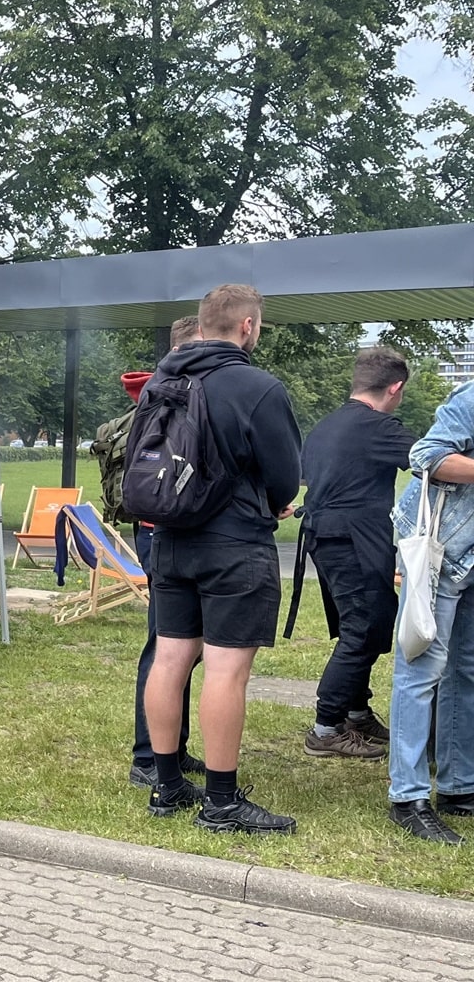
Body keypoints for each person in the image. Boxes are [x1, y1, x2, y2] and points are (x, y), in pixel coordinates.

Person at [142, 284, 302, 834]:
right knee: (226, 670)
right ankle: (221, 802)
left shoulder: (161, 380)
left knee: (170, 659)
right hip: (234, 543)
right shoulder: (258, 386)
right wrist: (274, 501)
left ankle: (166, 786)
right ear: (247, 326)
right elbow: (285, 476)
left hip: (169, 536)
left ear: (203, 322)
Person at [105, 316, 206, 789]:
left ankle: (171, 749)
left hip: (163, 529)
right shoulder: (169, 393)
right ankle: (149, 757)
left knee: (182, 647)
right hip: (165, 532)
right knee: (166, 647)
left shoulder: (159, 391)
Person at [298, 347, 413, 761]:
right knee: (362, 629)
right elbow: (430, 459)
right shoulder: (378, 426)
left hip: (324, 537)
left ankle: (356, 712)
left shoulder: (326, 425)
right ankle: (326, 728)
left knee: (370, 620)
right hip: (353, 540)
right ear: (395, 388)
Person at [387, 380, 474, 844]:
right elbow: (426, 456)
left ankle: (459, 787)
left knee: (467, 670)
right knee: (420, 668)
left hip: (470, 556)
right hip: (441, 548)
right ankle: (408, 797)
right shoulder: (472, 398)